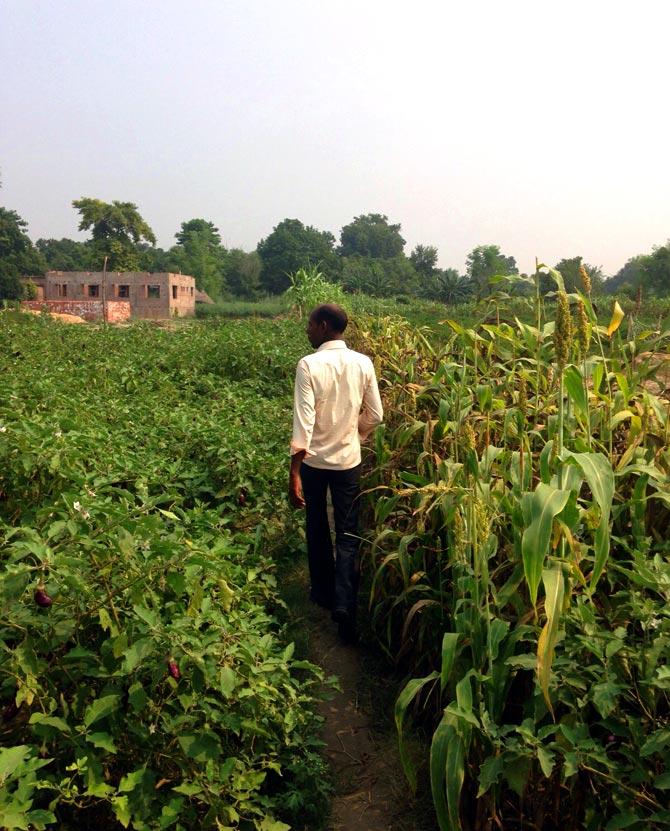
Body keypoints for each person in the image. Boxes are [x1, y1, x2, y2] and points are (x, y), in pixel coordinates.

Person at [289, 303, 383, 644]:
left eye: (311, 325)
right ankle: (344, 604)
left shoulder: (308, 365)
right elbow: (375, 413)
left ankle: (323, 594)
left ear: (324, 326)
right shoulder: (363, 363)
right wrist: (355, 436)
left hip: (314, 463)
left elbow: (304, 422)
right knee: (347, 533)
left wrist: (294, 472)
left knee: (316, 525)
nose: (308, 330)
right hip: (348, 463)